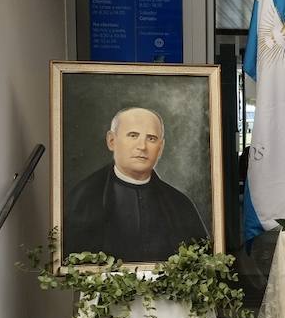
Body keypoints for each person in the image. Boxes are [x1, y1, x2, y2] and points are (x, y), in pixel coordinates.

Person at [64, 107, 209, 263]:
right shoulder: (83, 198)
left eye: (151, 138)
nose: (142, 146)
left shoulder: (180, 204)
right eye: (133, 135)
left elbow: (201, 263)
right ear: (111, 141)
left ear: (160, 148)